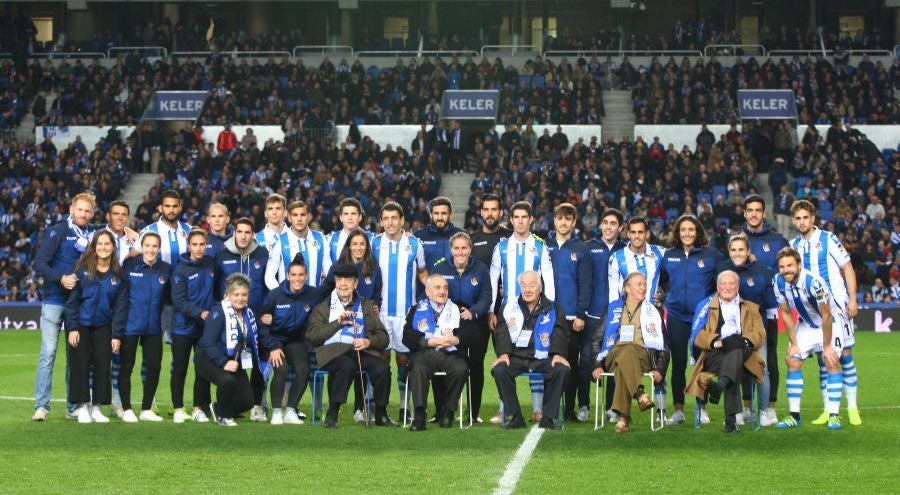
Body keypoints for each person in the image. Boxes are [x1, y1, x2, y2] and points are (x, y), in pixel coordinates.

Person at [789, 200, 860, 426]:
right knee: (823, 358)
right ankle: (828, 409)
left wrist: (853, 298)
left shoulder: (829, 239)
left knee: (844, 355)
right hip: (813, 314)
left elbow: (847, 268)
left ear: (813, 219)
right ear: (793, 221)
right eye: (798, 218)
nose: (802, 222)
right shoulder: (793, 246)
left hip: (837, 309)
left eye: (805, 218)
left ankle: (852, 406)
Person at [488, 201, 555, 422]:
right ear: (511, 220)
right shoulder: (502, 247)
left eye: (524, 217)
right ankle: (504, 409)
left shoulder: (540, 246)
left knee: (537, 354)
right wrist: (491, 310)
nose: (519, 221)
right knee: (504, 358)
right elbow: (492, 280)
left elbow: (549, 280)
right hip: (508, 314)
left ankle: (537, 410)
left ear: (530, 220)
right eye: (515, 217)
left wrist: (550, 311)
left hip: (536, 312)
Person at [307, 264, 396, 428]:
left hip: (361, 352)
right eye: (339, 280)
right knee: (346, 365)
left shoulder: (366, 305)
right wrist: (337, 323)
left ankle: (381, 414)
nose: (343, 284)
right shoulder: (323, 307)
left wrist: (369, 342)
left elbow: (383, 337)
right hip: (332, 353)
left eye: (347, 280)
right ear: (335, 283)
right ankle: (332, 414)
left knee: (382, 368)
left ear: (355, 284)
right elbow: (313, 337)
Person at [32, 192, 96, 421]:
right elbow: (39, 263)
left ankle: (72, 406)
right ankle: (41, 406)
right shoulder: (57, 231)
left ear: (92, 213)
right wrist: (60, 278)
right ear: (71, 210)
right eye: (80, 210)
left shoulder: (94, 233)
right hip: (54, 299)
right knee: (48, 354)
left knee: (75, 356)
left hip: (77, 303)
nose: (83, 214)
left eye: (88, 211)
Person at [659, 215, 722, 426]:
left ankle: (701, 409)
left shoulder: (711, 254)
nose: (687, 233)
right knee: (677, 365)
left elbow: (724, 276)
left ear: (698, 232)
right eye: (683, 230)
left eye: (691, 230)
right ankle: (678, 410)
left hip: (701, 319)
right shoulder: (669, 256)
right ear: (677, 233)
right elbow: (661, 281)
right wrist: (662, 294)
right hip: (676, 316)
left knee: (701, 365)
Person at [771, 248, 844, 430]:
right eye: (782, 266)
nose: (786, 270)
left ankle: (834, 415)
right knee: (792, 360)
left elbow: (826, 315)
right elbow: (786, 313)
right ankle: (794, 416)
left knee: (831, 361)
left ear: (799, 265)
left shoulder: (814, 283)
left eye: (790, 265)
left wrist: (827, 346)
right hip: (806, 325)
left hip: (830, 324)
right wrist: (794, 344)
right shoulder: (778, 281)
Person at [685, 270, 766, 433]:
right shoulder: (705, 306)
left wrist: (742, 341)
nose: (727, 287)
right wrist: (716, 342)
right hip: (714, 355)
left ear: (738, 287)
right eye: (723, 284)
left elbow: (759, 334)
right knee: (732, 363)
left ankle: (720, 387)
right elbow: (697, 336)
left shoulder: (751, 308)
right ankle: (730, 420)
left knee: (736, 347)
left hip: (745, 357)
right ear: (717, 286)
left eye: (731, 284)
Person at [197, 274, 282, 426]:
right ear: (228, 295)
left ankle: (219, 408)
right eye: (236, 294)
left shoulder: (250, 313)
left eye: (244, 294)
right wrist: (223, 363)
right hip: (208, 358)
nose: (240, 298)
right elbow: (208, 342)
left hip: (235, 359)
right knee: (227, 380)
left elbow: (261, 333)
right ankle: (224, 416)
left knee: (247, 401)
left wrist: (273, 347)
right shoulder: (218, 312)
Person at [371, 201, 428, 422]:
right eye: (386, 218)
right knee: (381, 361)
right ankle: (380, 409)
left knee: (405, 361)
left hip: (406, 314)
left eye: (394, 218)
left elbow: (422, 272)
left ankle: (405, 409)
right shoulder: (373, 244)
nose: (390, 222)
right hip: (380, 314)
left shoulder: (415, 244)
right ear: (381, 221)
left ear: (402, 220)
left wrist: (432, 286)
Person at [491, 271, 571, 430]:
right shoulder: (509, 307)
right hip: (517, 356)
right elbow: (501, 331)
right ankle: (516, 416)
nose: (527, 290)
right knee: (499, 370)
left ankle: (547, 417)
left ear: (540, 288)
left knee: (562, 370)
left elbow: (561, 331)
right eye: (524, 285)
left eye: (532, 285)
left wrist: (557, 354)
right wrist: (503, 353)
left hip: (543, 357)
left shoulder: (553, 308)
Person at [591, 272, 668, 433]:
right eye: (639, 284)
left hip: (642, 356)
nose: (643, 287)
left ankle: (623, 417)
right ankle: (639, 393)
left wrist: (660, 369)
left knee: (625, 361)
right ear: (627, 288)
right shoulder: (613, 308)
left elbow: (663, 344)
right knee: (626, 349)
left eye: (644, 284)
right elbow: (598, 338)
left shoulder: (653, 311)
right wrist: (597, 364)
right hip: (613, 353)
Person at [64, 230, 127, 423]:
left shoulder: (119, 276)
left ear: (113, 247)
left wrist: (116, 335)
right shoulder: (82, 271)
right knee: (80, 365)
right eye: (99, 244)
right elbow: (72, 302)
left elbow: (119, 308)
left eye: (107, 244)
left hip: (103, 326)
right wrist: (73, 327)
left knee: (102, 365)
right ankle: (82, 406)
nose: (103, 248)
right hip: (80, 326)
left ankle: (97, 407)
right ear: (94, 247)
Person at [322, 227, 382, 423]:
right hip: (340, 325)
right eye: (354, 243)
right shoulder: (338, 267)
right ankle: (334, 409)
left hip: (364, 320)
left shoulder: (373, 268)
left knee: (363, 359)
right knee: (344, 362)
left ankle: (360, 408)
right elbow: (325, 292)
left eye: (362, 244)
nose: (358, 247)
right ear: (348, 246)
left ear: (367, 247)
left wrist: (375, 308)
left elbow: (377, 296)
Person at [716, 233, 778, 426]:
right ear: (728, 252)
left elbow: (770, 305)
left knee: (762, 369)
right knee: (736, 369)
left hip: (756, 331)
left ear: (749, 251)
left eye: (741, 249)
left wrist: (770, 331)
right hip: (730, 332)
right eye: (733, 250)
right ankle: (742, 411)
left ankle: (765, 412)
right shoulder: (722, 270)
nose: (737, 253)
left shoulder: (762, 271)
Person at [431, 232, 492, 422]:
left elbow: (486, 297)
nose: (460, 252)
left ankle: (473, 413)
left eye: (464, 248)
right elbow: (433, 295)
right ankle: (441, 410)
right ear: (451, 249)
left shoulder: (481, 269)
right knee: (442, 362)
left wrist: (472, 312)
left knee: (476, 366)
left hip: (474, 324)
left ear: (470, 249)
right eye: (456, 248)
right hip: (447, 325)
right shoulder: (440, 267)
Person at [214, 217, 270, 421]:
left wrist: (267, 310)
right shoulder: (221, 255)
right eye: (240, 232)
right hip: (230, 321)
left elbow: (268, 284)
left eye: (248, 232)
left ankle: (256, 405)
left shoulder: (263, 254)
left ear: (253, 235)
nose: (243, 236)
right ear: (234, 232)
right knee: (232, 363)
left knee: (257, 363)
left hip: (255, 321)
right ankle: (226, 404)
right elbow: (215, 286)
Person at [739, 195, 788, 425]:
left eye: (758, 210)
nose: (754, 214)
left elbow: (788, 269)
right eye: (750, 210)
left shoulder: (777, 241)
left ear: (764, 213)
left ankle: (770, 408)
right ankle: (747, 406)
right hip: (740, 312)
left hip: (767, 310)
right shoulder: (737, 239)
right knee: (742, 359)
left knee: (770, 359)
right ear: (745, 213)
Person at [258, 255, 321, 425]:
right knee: (282, 370)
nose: (297, 279)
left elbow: (329, 303)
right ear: (287, 275)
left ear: (306, 276)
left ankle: (291, 410)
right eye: (293, 275)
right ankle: (277, 412)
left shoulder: (313, 294)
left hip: (296, 340)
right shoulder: (275, 295)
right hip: (275, 339)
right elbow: (261, 323)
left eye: (301, 275)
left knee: (303, 370)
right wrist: (271, 346)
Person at [402, 274, 470, 430]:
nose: (442, 291)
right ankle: (419, 414)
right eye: (437, 287)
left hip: (450, 354)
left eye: (445, 288)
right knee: (418, 368)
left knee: (461, 369)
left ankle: (448, 412)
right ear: (427, 291)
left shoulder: (458, 308)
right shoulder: (416, 309)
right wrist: (427, 342)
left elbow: (470, 334)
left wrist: (457, 339)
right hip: (426, 354)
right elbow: (406, 336)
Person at [116, 231, 171, 423]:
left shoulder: (165, 269)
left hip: (154, 328)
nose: (150, 249)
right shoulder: (130, 266)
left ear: (159, 248)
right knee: (127, 366)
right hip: (130, 326)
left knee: (154, 366)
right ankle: (127, 408)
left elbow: (169, 300)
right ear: (141, 247)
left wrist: (163, 323)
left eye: (154, 246)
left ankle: (146, 409)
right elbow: (121, 296)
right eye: (147, 245)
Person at [546, 203, 593, 423]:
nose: (563, 222)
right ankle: (550, 407)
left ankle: (569, 409)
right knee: (548, 363)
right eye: (560, 218)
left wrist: (581, 314)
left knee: (571, 364)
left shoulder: (581, 249)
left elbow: (586, 284)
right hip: (547, 317)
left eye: (568, 219)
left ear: (574, 223)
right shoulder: (543, 246)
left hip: (572, 318)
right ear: (554, 220)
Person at [468, 193, 512, 424]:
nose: (490, 214)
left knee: (505, 358)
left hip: (505, 311)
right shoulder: (472, 240)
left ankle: (505, 409)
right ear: (481, 212)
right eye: (486, 209)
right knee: (476, 361)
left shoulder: (510, 238)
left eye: (494, 209)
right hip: (479, 311)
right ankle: (473, 412)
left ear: (501, 213)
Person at [170, 229, 215, 423]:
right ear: (189, 245)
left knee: (203, 369)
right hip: (183, 328)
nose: (198, 248)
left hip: (204, 328)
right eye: (195, 244)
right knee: (180, 369)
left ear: (206, 245)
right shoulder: (180, 270)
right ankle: (178, 408)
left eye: (202, 244)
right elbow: (178, 301)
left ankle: (199, 408)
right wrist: (200, 313)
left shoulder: (210, 264)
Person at [587, 208, 627, 422]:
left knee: (614, 359)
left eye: (613, 223)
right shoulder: (588, 248)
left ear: (621, 227)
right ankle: (583, 404)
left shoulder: (626, 250)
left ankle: (613, 407)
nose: (609, 227)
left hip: (618, 315)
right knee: (587, 359)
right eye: (606, 222)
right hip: (593, 313)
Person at [265, 200, 329, 290]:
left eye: (303, 215)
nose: (299, 219)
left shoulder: (320, 238)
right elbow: (269, 276)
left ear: (309, 217)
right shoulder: (279, 241)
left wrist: (322, 294)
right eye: (295, 215)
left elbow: (329, 272)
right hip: (288, 302)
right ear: (289, 218)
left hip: (315, 301)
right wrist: (281, 296)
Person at [414, 196, 462, 272]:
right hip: (426, 283)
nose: (440, 217)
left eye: (444, 213)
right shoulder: (418, 236)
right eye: (436, 213)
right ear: (430, 215)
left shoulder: (461, 236)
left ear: (450, 214)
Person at [326, 198, 373, 264]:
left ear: (360, 217)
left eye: (353, 214)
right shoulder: (329, 239)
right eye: (346, 214)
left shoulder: (373, 239)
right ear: (341, 217)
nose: (349, 218)